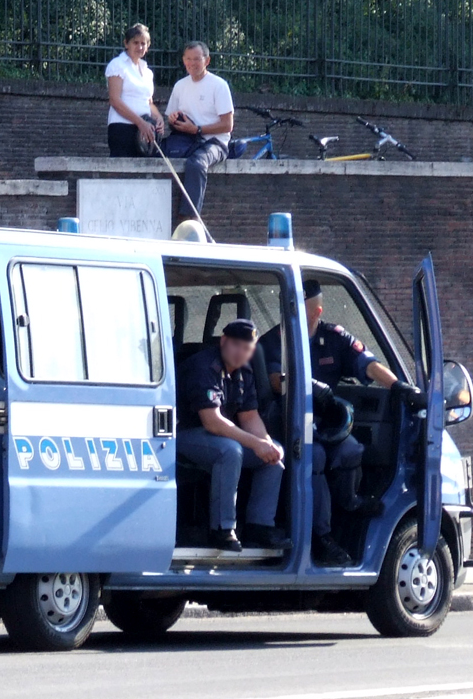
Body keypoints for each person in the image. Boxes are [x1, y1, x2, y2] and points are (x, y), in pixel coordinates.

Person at [258, 280, 426, 566]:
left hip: (324, 422)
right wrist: (309, 386)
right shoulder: (274, 340)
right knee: (317, 457)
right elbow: (275, 380)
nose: (292, 312)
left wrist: (399, 387)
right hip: (287, 424)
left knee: (350, 450)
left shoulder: (334, 336)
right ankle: (321, 538)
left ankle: (349, 505)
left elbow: (367, 363)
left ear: (316, 312)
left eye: (299, 307)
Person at [177, 319, 292, 553]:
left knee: (274, 456)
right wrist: (256, 443)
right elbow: (213, 422)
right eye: (236, 345)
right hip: (179, 436)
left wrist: (267, 445)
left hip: (218, 437)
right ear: (224, 341)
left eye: (247, 348)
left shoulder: (244, 372)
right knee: (231, 451)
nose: (241, 353)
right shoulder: (204, 365)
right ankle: (222, 529)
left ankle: (259, 527)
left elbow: (249, 417)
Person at [164, 42, 234, 222]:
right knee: (159, 156)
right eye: (188, 59)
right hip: (187, 138)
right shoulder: (180, 86)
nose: (192, 63)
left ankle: (189, 218)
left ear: (207, 60)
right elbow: (171, 119)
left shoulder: (219, 85)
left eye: (196, 59)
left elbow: (227, 125)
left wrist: (198, 129)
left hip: (214, 142)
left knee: (197, 164)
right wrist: (173, 121)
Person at [105, 23, 164, 158]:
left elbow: (148, 102)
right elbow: (115, 100)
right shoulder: (117, 65)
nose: (140, 47)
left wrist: (158, 117)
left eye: (143, 43)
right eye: (135, 43)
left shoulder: (147, 72)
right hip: (122, 128)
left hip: (144, 130)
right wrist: (140, 123)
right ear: (126, 44)